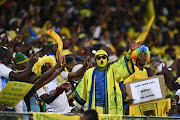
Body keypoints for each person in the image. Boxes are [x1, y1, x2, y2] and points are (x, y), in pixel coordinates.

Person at [74, 41, 143, 115]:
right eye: (98, 57)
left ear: (107, 59)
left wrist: (130, 52)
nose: (101, 59)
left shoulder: (114, 70)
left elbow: (123, 63)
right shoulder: (89, 73)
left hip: (111, 109)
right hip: (95, 108)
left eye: (103, 57)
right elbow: (81, 92)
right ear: (96, 60)